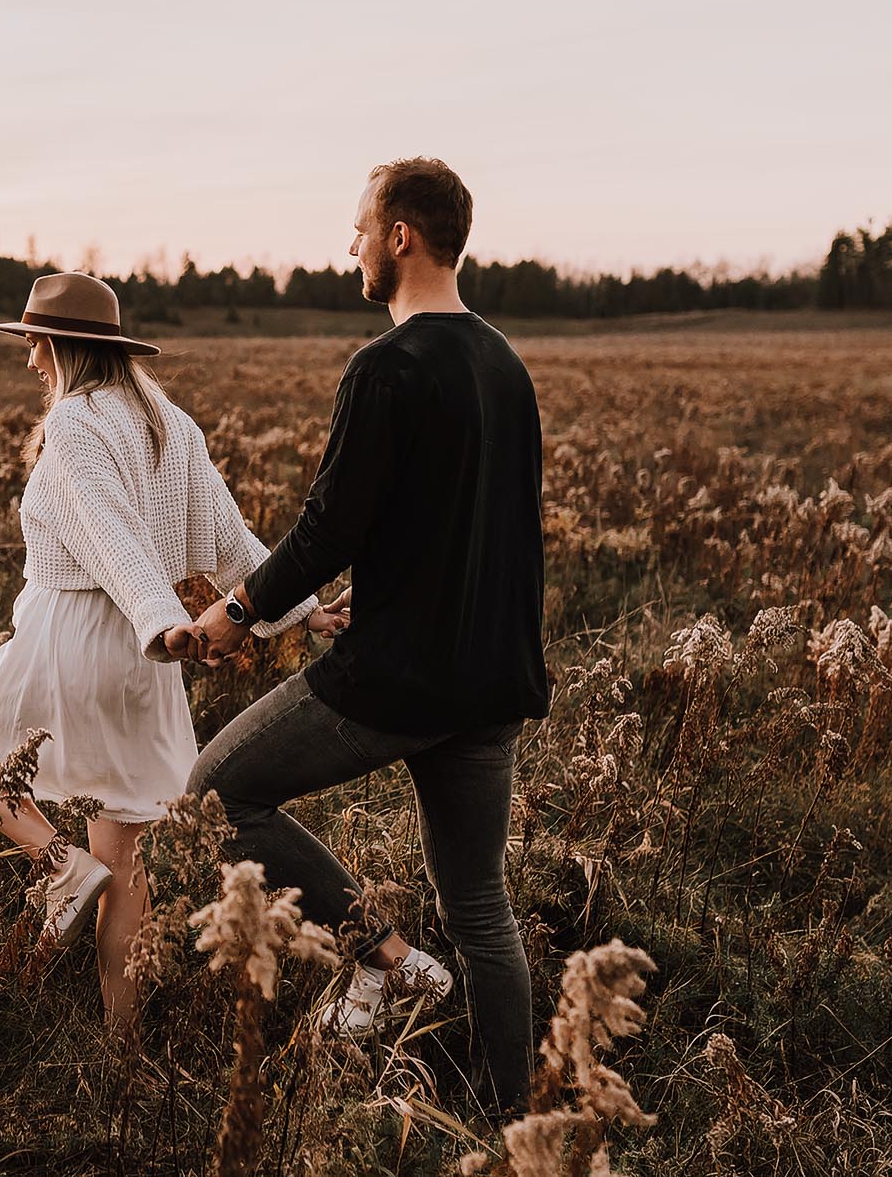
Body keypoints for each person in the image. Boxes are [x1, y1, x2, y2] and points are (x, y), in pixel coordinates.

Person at [185, 157, 552, 1115]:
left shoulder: (385, 368)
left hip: (397, 682)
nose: (347, 244)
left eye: (358, 226)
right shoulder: (505, 363)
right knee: (482, 907)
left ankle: (382, 959)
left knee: (214, 793)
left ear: (401, 237)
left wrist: (234, 615)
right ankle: (512, 1117)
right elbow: (470, 523)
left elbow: (326, 532)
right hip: (491, 679)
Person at [0, 270, 346, 1026]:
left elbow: (107, 530)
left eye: (35, 345)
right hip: (145, 668)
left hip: (77, 640)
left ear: (62, 347)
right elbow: (228, 537)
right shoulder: (168, 421)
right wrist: (302, 607)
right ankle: (121, 1050)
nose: (29, 361)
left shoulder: (76, 425)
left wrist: (159, 618)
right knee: (126, 867)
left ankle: (56, 866)